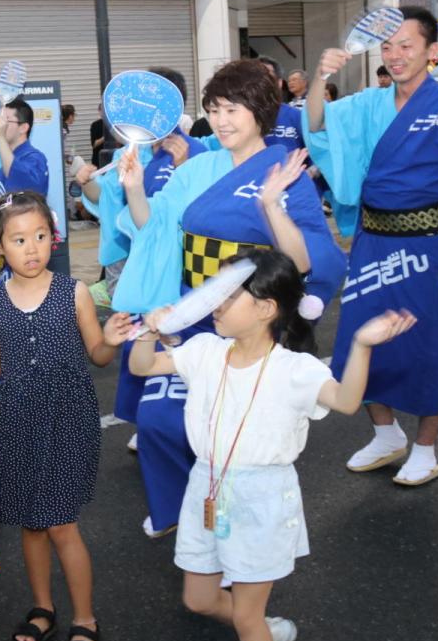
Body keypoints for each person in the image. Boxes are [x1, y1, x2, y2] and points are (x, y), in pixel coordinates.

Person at [113, 250, 415, 641]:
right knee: (197, 599)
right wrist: (147, 333)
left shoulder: (295, 369)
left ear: (266, 308)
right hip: (207, 487)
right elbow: (142, 366)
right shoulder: (204, 351)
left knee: (246, 618)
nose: (213, 301)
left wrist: (362, 346)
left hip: (262, 498)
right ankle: (268, 630)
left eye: (228, 294)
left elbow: (348, 400)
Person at [114, 59, 347, 539]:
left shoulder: (285, 171)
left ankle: (237, 530)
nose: (221, 121)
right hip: (192, 312)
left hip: (249, 322)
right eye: (214, 110)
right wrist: (135, 189)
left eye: (233, 109)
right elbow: (153, 229)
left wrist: (268, 205)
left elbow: (304, 259)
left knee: (235, 434)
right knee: (160, 420)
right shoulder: (198, 167)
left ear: (260, 110)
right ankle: (180, 512)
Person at [304, 5, 438, 485]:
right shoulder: (370, 103)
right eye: (387, 47)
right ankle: (387, 434)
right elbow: (317, 124)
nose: (395, 56)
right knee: (361, 336)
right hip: (372, 240)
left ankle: (426, 448)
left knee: (425, 343)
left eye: (406, 45)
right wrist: (319, 77)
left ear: (431, 51)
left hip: (428, 244)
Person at [0, 190, 118, 641]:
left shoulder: (74, 293)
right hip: (19, 421)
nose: (31, 248)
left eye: (40, 236)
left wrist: (112, 339)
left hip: (69, 420)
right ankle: (43, 608)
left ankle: (85, 620)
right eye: (19, 239)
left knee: (62, 522)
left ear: (54, 238)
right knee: (31, 522)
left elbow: (98, 355)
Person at [75, 66, 207, 455]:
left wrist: (185, 166)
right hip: (142, 265)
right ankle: (144, 417)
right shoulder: (125, 153)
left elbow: (206, 205)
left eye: (157, 105)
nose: (146, 113)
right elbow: (109, 205)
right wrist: (86, 181)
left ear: (175, 107)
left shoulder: (196, 150)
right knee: (139, 342)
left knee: (181, 342)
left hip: (185, 266)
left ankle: (182, 417)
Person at [0, 96, 49, 196]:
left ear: (23, 128)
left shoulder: (35, 158)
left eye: (5, 121)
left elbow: (22, 182)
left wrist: (1, 137)